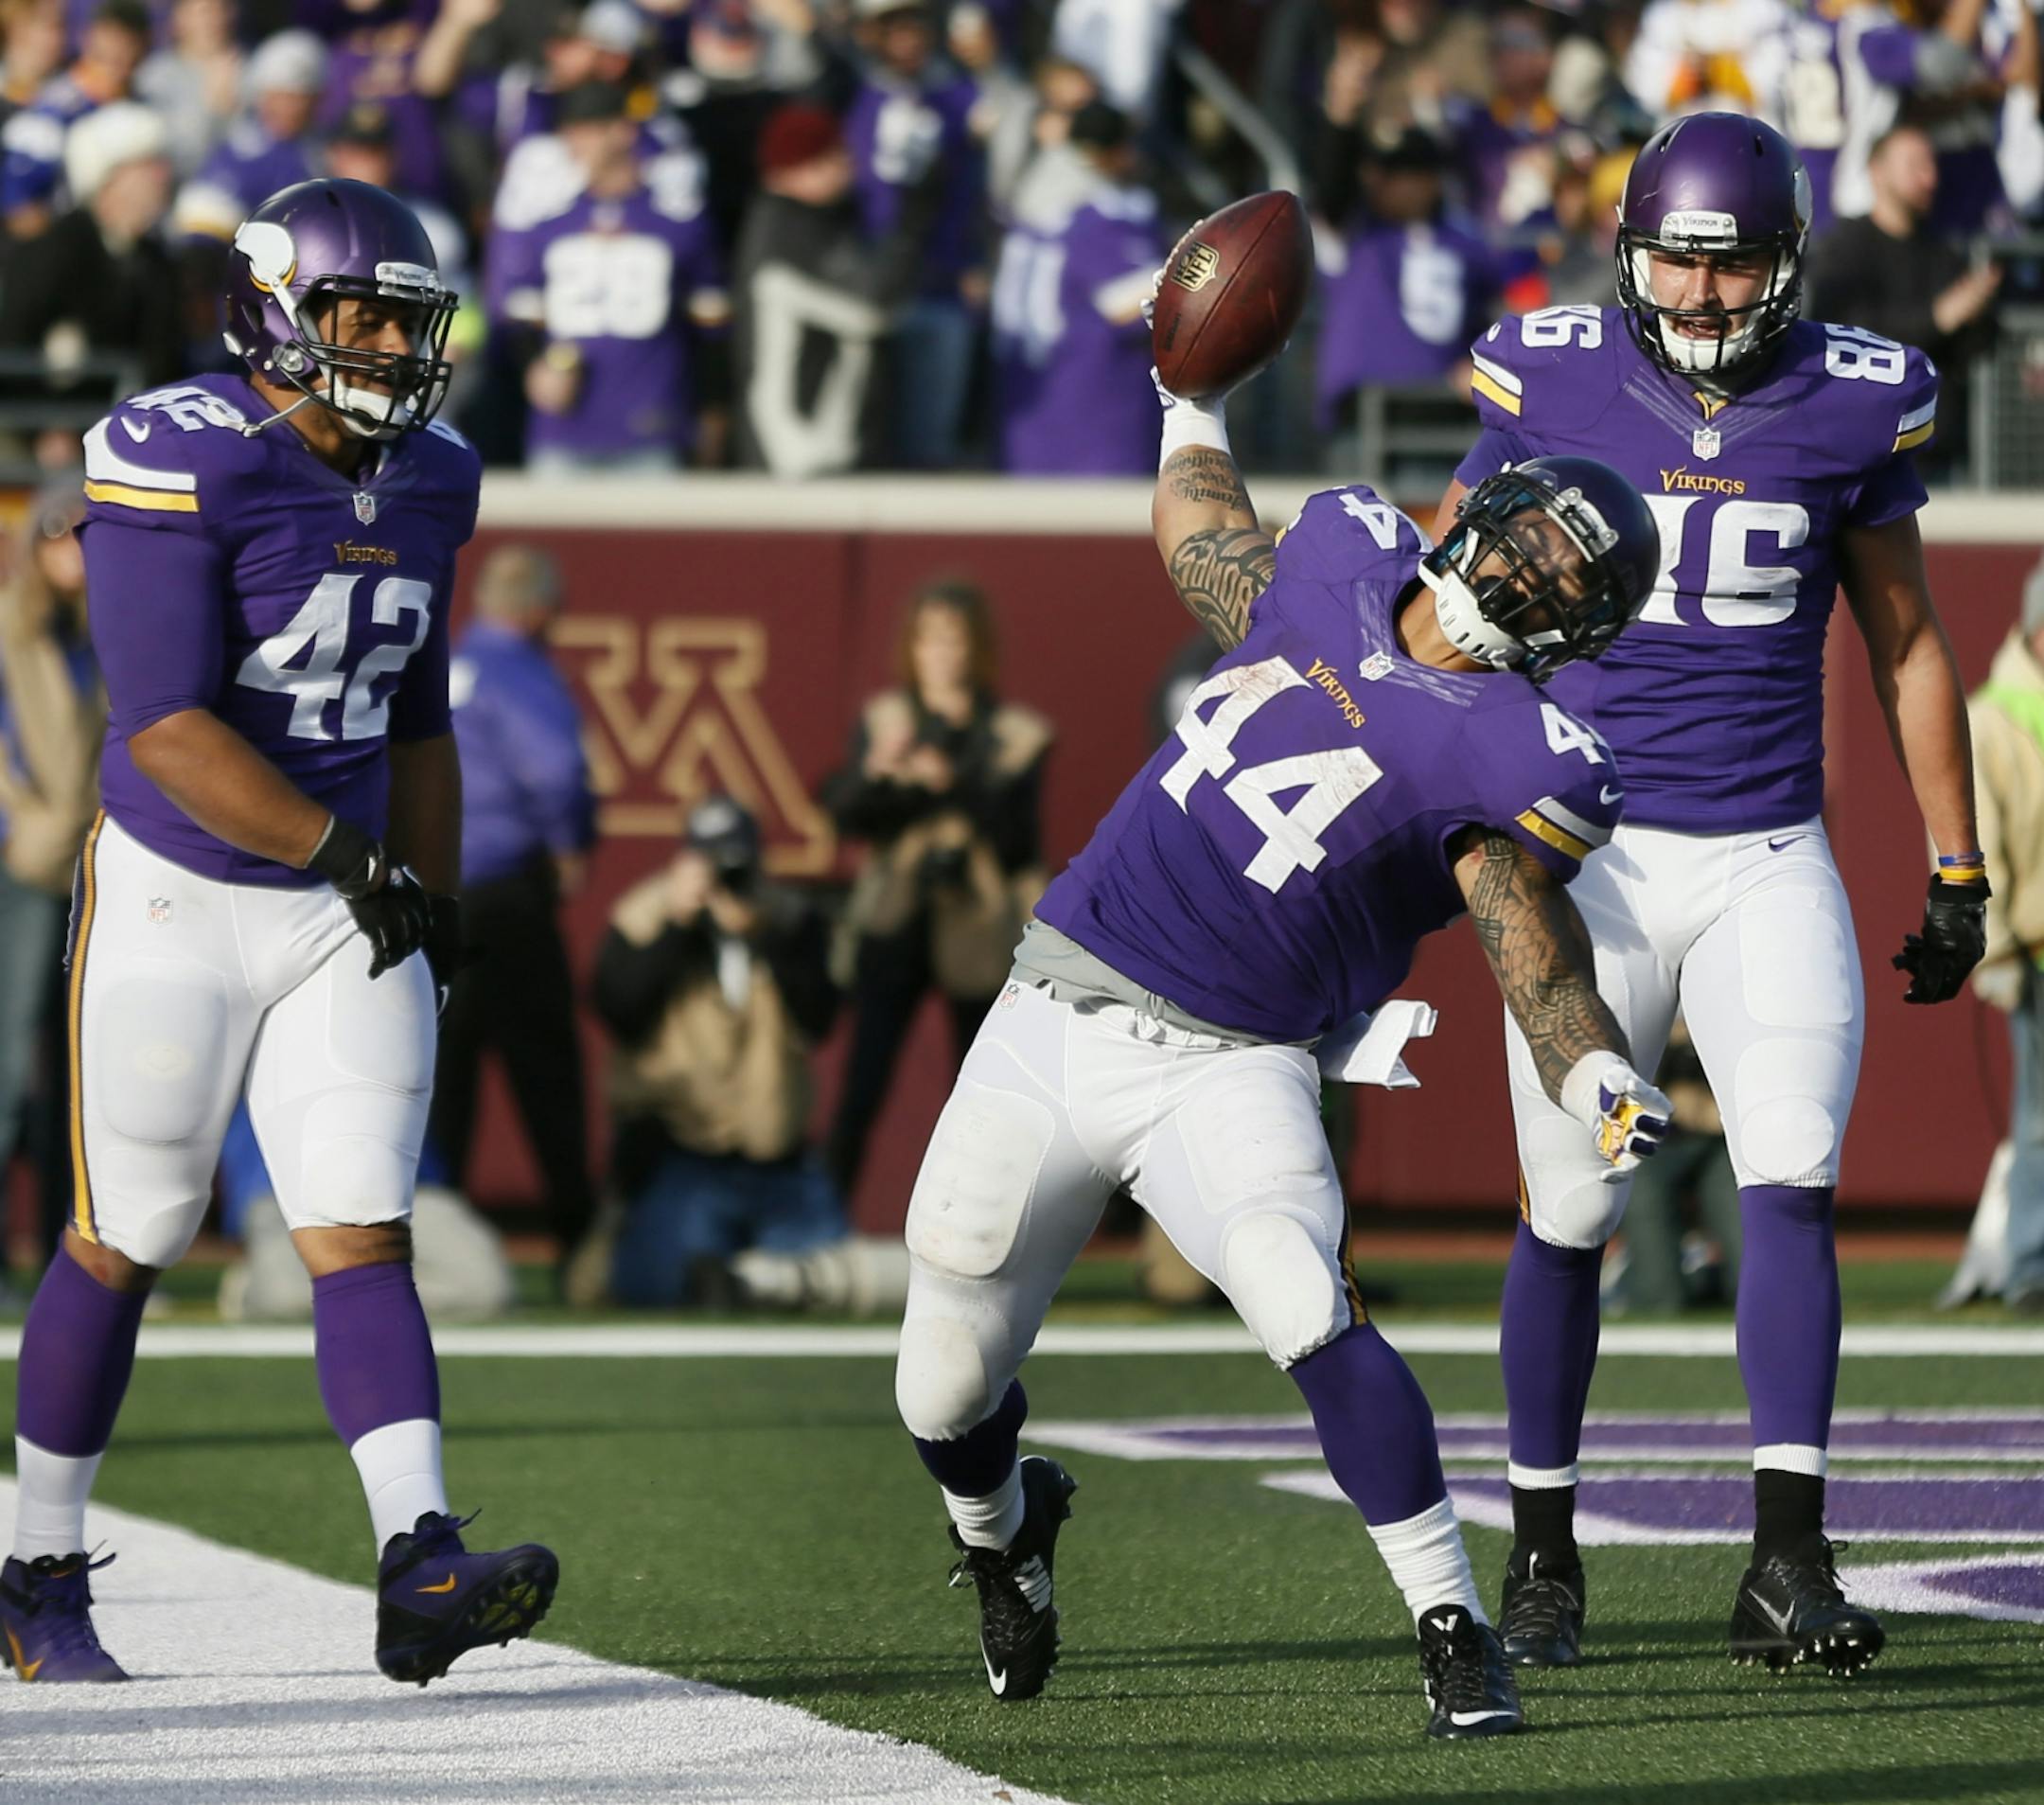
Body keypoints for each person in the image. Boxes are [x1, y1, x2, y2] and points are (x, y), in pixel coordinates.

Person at [896, 342, 1669, 1737]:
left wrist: (1593, 1060)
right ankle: (1006, 1533)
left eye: (1570, 588)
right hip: (1058, 1002)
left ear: (1582, 638)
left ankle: (1454, 1623)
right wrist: (1192, 400)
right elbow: (1206, 537)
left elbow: (1525, 935)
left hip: (1234, 1056)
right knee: (940, 1378)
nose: (1531, 583)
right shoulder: (1337, 567)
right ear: (1482, 514)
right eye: (1539, 548)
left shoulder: (1513, 747)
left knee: (1301, 1297)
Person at [1436, 111, 1984, 1678]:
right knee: (1574, 1202)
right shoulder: (1546, 369)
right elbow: (1451, 596)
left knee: (1794, 1174)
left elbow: (1907, 639)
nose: (1697, 285)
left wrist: (1956, 859)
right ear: (1630, 245)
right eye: (1676, 252)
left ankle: (1789, 1558)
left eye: (1730, 256)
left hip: (1764, 852)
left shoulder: (1852, 397)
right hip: (1581, 860)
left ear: (1785, 259)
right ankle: (1542, 1557)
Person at [0, 179, 557, 1689]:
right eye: (358, 313)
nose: (387, 344)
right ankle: (36, 1565)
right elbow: (167, 725)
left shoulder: (438, 472)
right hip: (179, 895)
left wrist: (426, 893)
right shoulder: (180, 452)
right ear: (274, 311)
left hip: (342, 897)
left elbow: (423, 720)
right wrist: (352, 850)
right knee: (133, 1233)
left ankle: (419, 1555)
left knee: (360, 1222)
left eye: (406, 318)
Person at [821, 578, 1050, 1199]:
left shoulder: (1012, 732)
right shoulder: (887, 721)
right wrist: (884, 774)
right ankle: (824, 1211)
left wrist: (952, 783)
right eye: (929, 640)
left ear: (975, 649)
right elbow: (845, 813)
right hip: (898, 916)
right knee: (863, 1078)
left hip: (976, 922)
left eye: (954, 640)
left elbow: (1017, 841)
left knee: (980, 1084)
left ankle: (977, 1209)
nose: (942, 654)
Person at [589, 794, 841, 1307]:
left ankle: (752, 1277)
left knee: (832, 1280)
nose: (726, 879)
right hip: (683, 1153)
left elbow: (818, 1019)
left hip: (777, 1160)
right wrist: (677, 926)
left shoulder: (790, 921)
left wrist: (765, 936)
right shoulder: (645, 915)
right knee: (659, 1282)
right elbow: (620, 1013)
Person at [432, 542, 598, 1274]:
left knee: (445, 1077)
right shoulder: (516, 670)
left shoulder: (446, 664)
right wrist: (569, 844)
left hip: (440, 891)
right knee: (545, 1071)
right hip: (507, 893)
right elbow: (555, 769)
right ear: (537, 610)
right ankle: (579, 1236)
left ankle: (437, 1238)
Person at [487, 79, 731, 475]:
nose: (574, 144)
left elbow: (713, 330)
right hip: (563, 430)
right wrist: (537, 367)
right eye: (570, 131)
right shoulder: (549, 226)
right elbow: (523, 318)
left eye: (587, 129)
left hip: (653, 424)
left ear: (623, 130)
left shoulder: (679, 224)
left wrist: (713, 412)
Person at [0, 474, 103, 1299]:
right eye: (60, 530)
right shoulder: (10, 624)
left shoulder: (98, 631)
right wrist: (19, 828)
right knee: (6, 1071)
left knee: (79, 1074)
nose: (73, 548)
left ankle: (71, 1258)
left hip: (89, 866)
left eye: (86, 532)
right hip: (20, 869)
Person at [731, 100, 934, 477]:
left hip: (820, 444)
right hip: (799, 448)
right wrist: (911, 207)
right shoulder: (787, 231)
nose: (848, 165)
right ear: (795, 168)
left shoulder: (816, 222)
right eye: (834, 155)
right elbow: (871, 309)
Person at [845, 0, 985, 469]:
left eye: (915, 27)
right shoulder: (848, 93)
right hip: (869, 284)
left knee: (931, 439)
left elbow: (975, 187)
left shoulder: (955, 97)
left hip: (940, 277)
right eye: (893, 28)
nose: (907, 40)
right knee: (866, 429)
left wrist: (975, 257)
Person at [991, 98, 1163, 476]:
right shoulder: (1096, 212)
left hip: (1036, 405)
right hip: (1094, 405)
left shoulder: (1041, 193)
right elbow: (1128, 304)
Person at [1963, 554, 2044, 1315]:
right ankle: (2028, 1264)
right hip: (2038, 949)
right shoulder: (1991, 717)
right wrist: (1996, 948)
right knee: (2040, 1117)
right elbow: (1975, 834)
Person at [1314, 123, 1499, 431]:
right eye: (1376, 171)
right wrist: (1342, 119)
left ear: (1431, 180)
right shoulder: (1355, 232)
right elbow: (1333, 187)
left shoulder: (1466, 242)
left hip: (1441, 411)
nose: (1378, 181)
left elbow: (1493, 318)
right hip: (1361, 412)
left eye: (1396, 173)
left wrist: (1483, 366)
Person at [0, 100, 181, 395]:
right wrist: (48, 426)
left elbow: (163, 362)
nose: (162, 178)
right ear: (107, 180)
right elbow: (14, 346)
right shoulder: (53, 251)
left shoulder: (155, 260)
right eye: (147, 166)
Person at [1806, 122, 2000, 389]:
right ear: (1878, 172)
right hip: (1868, 419)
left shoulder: (1943, 252)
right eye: (1915, 166)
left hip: (1936, 422)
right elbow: (1845, 330)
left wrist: (1978, 312)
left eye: (1931, 165)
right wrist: (1938, 317)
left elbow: (1970, 350)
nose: (1929, 178)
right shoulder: (1844, 248)